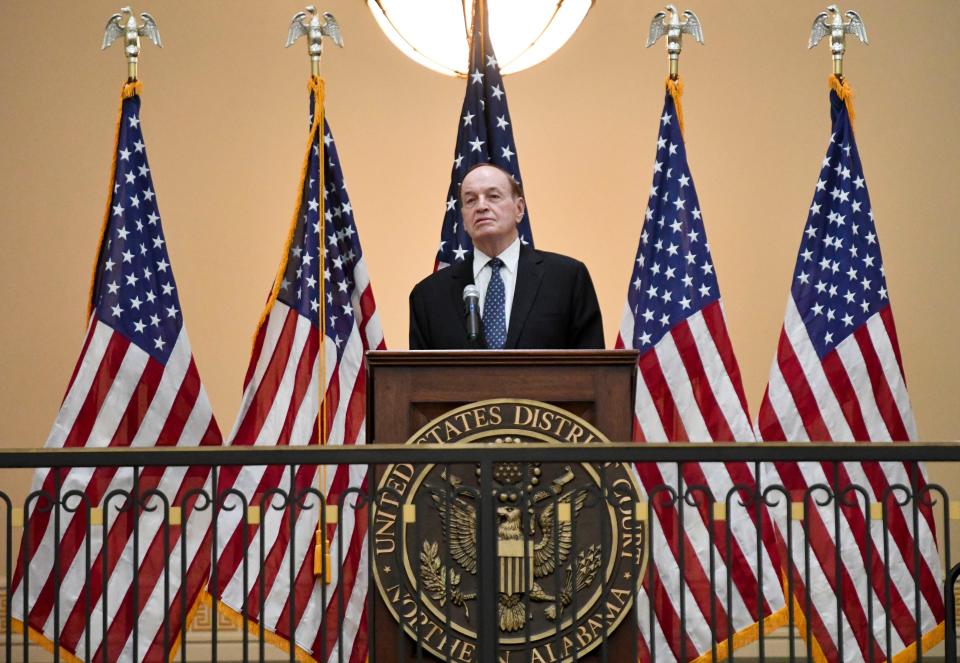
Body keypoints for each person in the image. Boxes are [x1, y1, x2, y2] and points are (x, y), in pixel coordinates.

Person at [409, 163, 604, 349]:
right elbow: (418, 380)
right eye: (470, 200)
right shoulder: (428, 296)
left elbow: (594, 373)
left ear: (519, 209)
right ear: (464, 218)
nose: (481, 206)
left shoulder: (567, 279)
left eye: (493, 196)